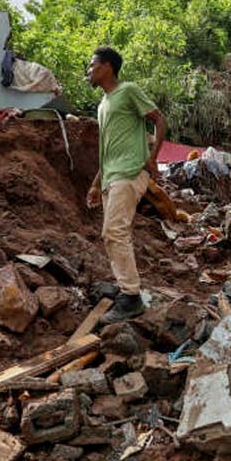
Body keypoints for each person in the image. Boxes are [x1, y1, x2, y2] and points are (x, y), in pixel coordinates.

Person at [86, 46, 167, 323]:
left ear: (107, 66)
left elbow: (159, 119)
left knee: (114, 231)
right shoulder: (103, 105)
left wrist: (153, 158)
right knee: (112, 234)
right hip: (111, 175)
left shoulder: (128, 90)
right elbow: (107, 149)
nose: (89, 71)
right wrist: (96, 184)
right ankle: (126, 288)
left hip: (130, 171)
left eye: (92, 65)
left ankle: (131, 296)